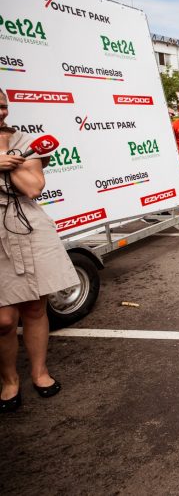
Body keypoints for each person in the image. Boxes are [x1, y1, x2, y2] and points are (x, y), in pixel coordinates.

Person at [0, 88, 79, 413]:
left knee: (34, 307)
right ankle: (8, 380)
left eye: (3, 106)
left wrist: (9, 162)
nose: (1, 112)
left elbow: (33, 187)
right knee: (3, 320)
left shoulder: (23, 141)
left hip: (26, 223)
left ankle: (39, 372)